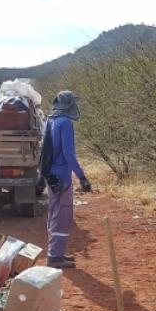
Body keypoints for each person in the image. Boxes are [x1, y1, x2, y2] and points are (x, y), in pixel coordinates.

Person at [41, 91, 91, 268]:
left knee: (54, 213)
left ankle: (55, 253)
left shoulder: (51, 120)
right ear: (70, 104)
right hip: (62, 176)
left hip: (51, 174)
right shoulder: (65, 123)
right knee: (63, 215)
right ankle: (55, 257)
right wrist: (82, 177)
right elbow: (69, 154)